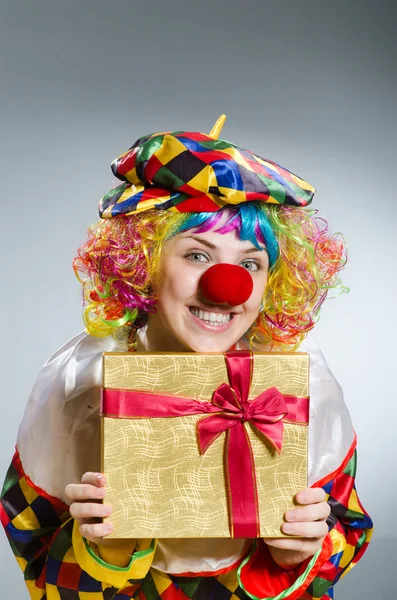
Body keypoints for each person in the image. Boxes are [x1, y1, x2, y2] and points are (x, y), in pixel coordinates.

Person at [0, 115, 373, 599]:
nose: (226, 286)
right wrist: (104, 551)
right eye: (197, 255)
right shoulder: (80, 380)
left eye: (249, 263)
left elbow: (348, 534)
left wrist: (297, 553)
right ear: (144, 261)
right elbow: (37, 562)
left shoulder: (302, 381)